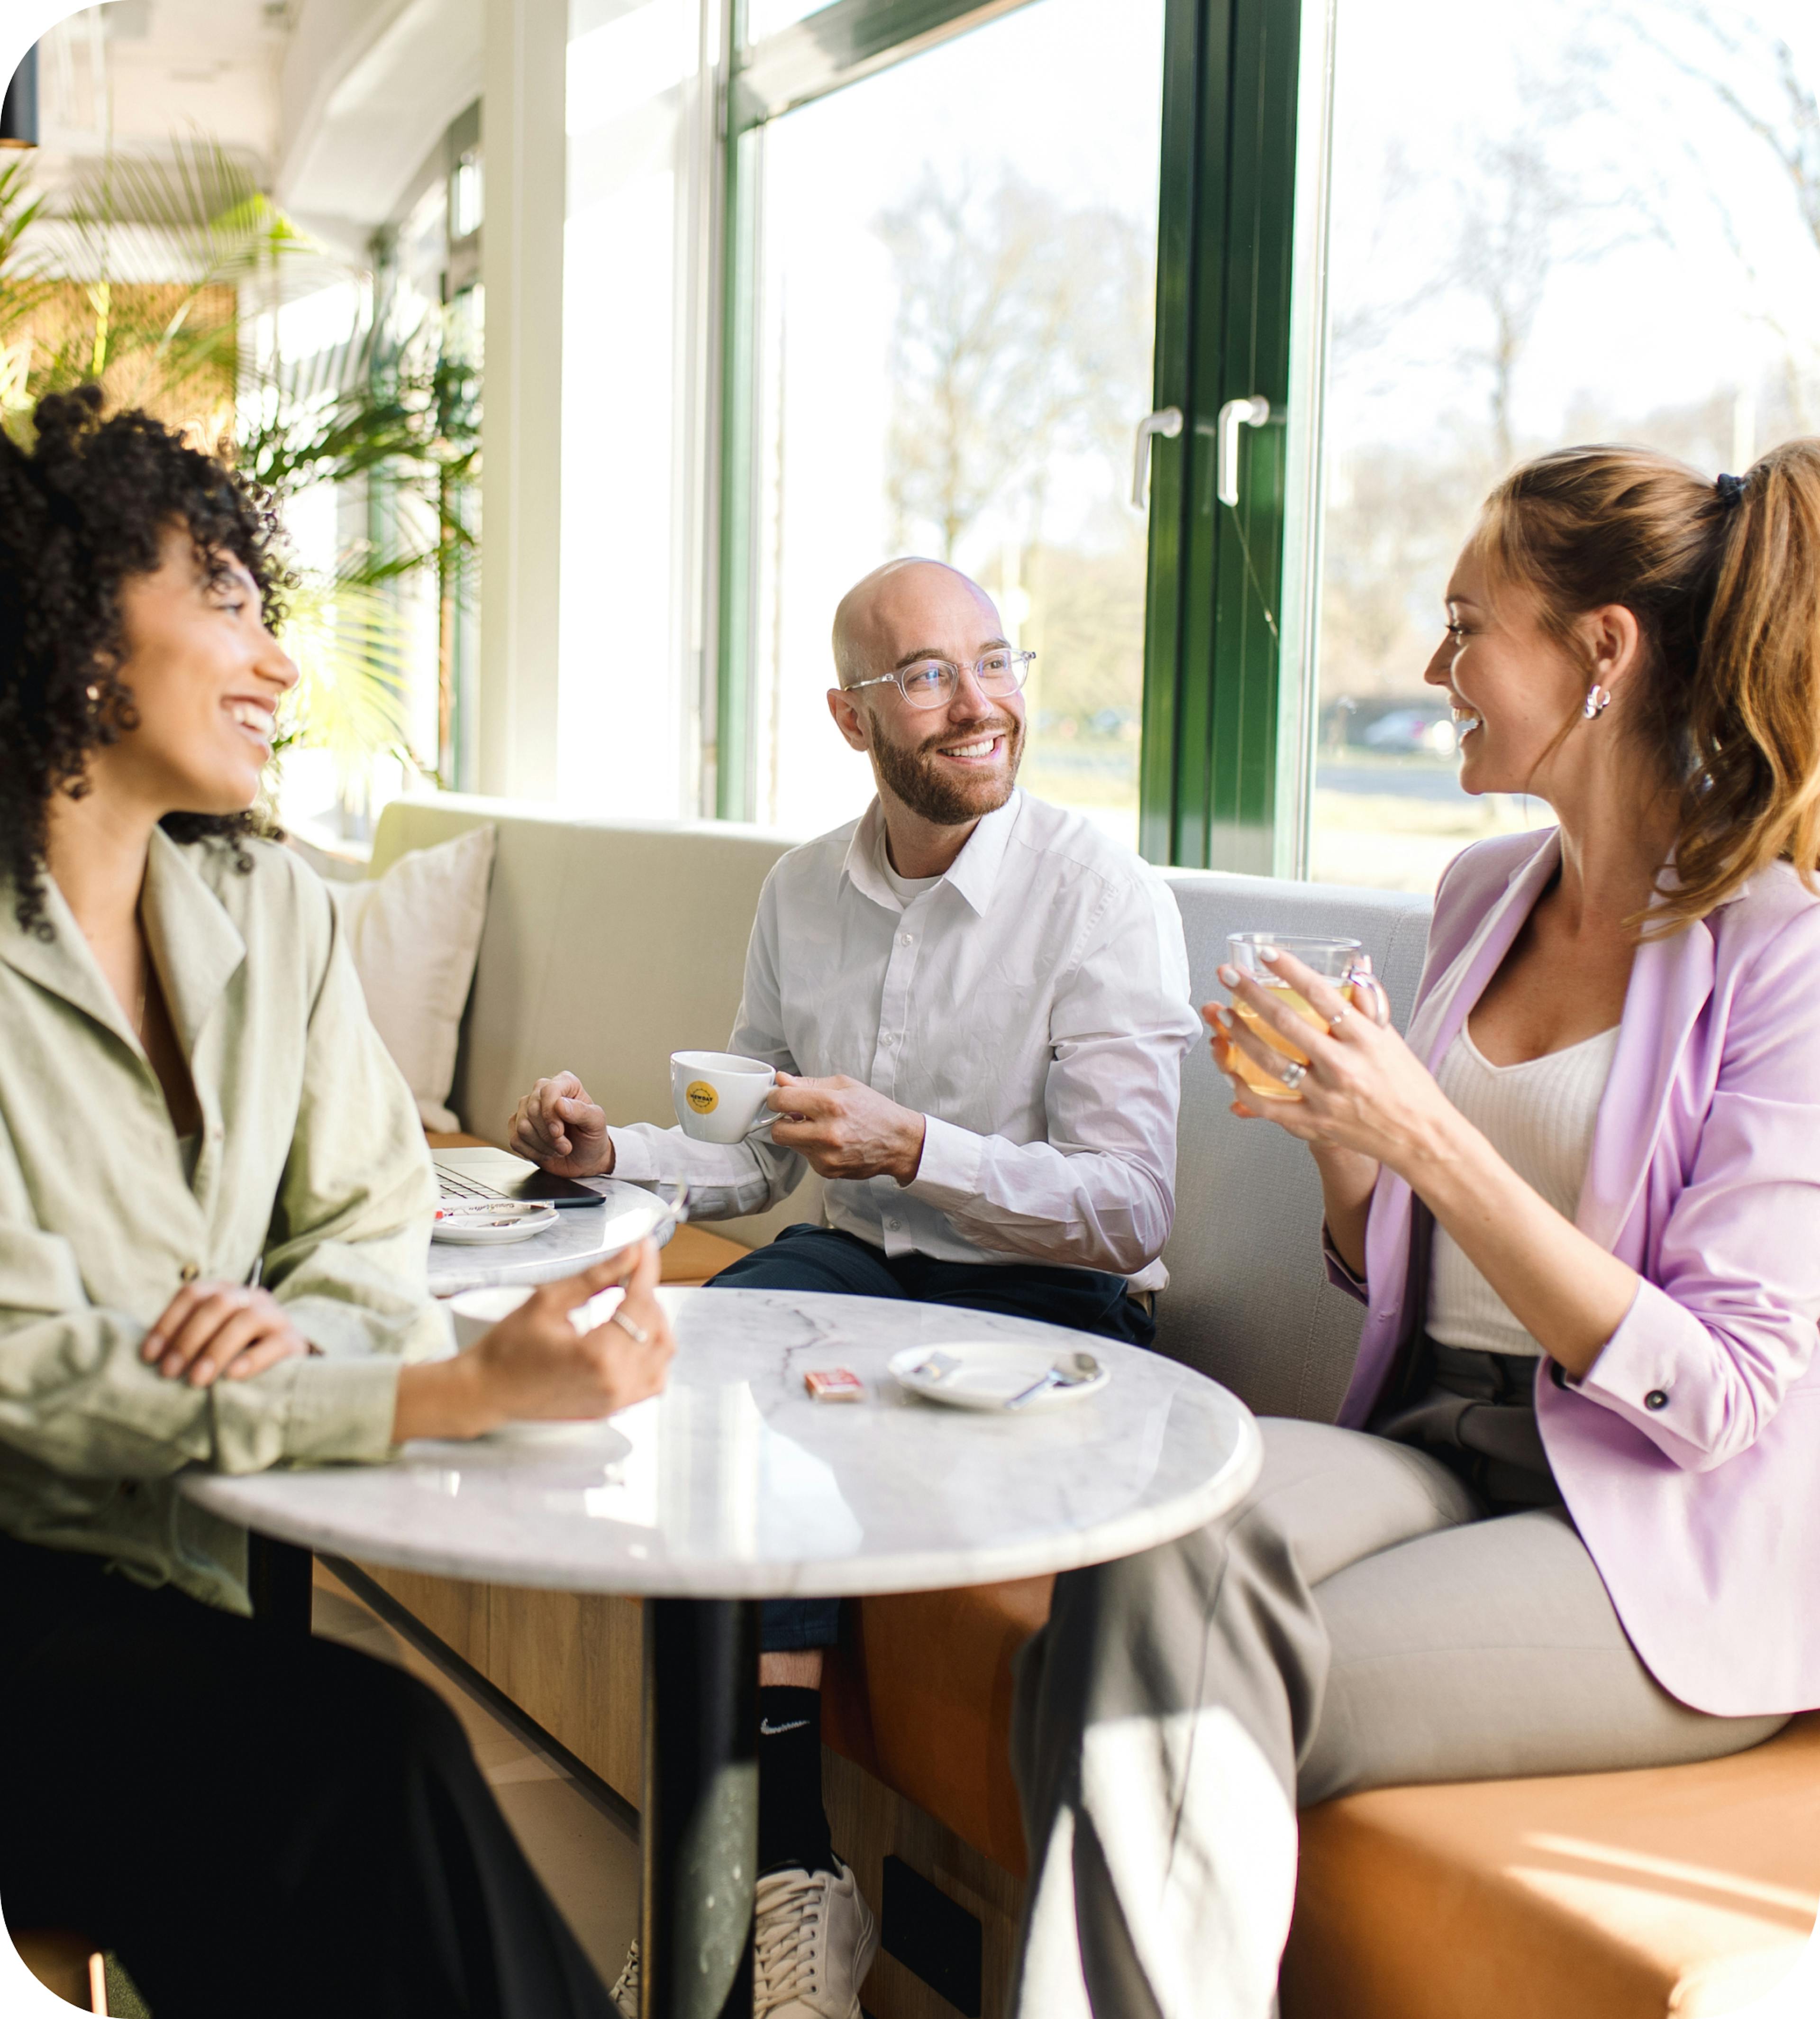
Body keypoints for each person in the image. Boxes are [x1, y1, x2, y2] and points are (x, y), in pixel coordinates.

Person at [1009, 442, 1820, 2018]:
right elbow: (1397, 1264)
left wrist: (1426, 1134)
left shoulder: (1778, 953)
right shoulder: (1481, 894)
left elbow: (1721, 1391)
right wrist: (1344, 1144)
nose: (1433, 667)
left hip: (1655, 1535)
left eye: (1467, 626)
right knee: (1141, 1543)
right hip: (1439, 1441)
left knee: (1143, 1679)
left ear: (1603, 651)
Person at [0, 388, 675, 2019]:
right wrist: (451, 1387)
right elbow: (30, 1365)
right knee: (377, 1760)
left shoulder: (272, 914)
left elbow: (368, 1225)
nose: (281, 662)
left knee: (332, 1852)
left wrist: (293, 1327)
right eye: (222, 598)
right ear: (79, 625)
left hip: (220, 1565)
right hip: (27, 1587)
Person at [509, 556, 1202, 2017]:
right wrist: (608, 1153)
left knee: (791, 1405)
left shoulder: (1102, 896)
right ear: (850, 715)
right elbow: (755, 1148)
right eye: (929, 675)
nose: (979, 703)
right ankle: (789, 1876)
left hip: (1051, 1306)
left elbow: (1131, 1205)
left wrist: (917, 1147)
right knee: (693, 1363)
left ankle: (730, 1886)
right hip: (861, 1274)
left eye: (995, 661)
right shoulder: (801, 891)